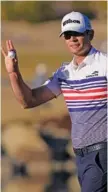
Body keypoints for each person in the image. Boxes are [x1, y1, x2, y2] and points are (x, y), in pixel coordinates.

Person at [1, 11, 107, 192]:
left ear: (90, 34)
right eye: (68, 35)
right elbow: (29, 101)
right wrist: (13, 73)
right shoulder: (64, 74)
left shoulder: (104, 64)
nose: (72, 38)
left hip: (102, 154)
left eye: (78, 33)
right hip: (81, 157)